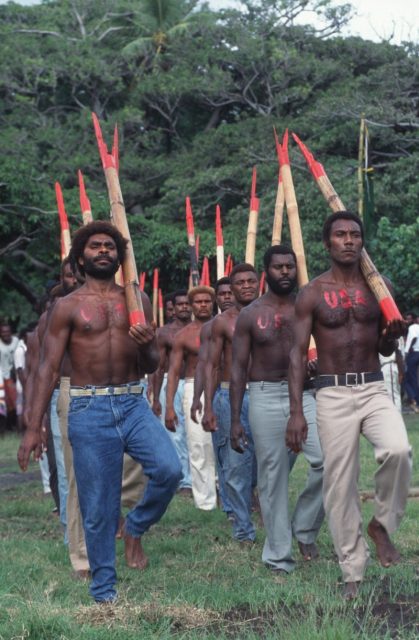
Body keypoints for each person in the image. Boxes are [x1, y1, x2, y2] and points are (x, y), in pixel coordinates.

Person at [18, 220, 182, 603]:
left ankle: (136, 527)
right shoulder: (67, 307)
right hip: (87, 406)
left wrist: (146, 343)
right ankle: (104, 591)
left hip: (132, 401)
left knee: (169, 469)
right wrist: (32, 427)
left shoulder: (136, 301)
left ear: (120, 256)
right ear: (81, 257)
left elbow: (150, 364)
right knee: (97, 504)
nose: (104, 251)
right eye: (95, 246)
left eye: (110, 246)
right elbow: (47, 369)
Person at [286, 211, 412, 599]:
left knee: (399, 450)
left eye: (355, 235)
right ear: (327, 244)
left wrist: (392, 336)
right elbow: (295, 353)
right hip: (332, 392)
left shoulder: (380, 287)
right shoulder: (312, 292)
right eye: (340, 235)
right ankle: (352, 573)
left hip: (373, 387)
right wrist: (295, 411)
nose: (348, 240)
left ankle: (383, 525)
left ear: (362, 241)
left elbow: (385, 347)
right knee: (339, 485)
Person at [230, 248, 324, 568]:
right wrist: (234, 420)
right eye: (278, 267)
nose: (285, 272)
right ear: (265, 272)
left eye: (290, 266)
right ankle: (278, 556)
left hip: (308, 396)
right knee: (272, 477)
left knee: (329, 461)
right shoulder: (250, 314)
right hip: (265, 395)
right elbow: (238, 369)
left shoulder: (309, 306)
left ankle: (305, 527)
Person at [203, 265, 260, 543]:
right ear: (230, 289)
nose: (247, 286)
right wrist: (208, 405)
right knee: (236, 464)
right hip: (229, 395)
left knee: (266, 463)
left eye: (252, 281)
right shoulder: (223, 322)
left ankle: (258, 507)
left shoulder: (270, 315)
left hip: (266, 392)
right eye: (241, 282)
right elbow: (212, 364)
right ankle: (243, 530)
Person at [165, 286, 217, 510]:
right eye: (198, 302)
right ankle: (205, 502)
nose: (203, 305)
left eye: (207, 301)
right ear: (191, 305)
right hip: (192, 388)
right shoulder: (183, 336)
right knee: (198, 444)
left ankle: (225, 491)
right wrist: (169, 406)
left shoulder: (222, 327)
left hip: (223, 387)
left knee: (223, 443)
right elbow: (174, 372)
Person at [191, 276, 235, 517]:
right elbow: (205, 365)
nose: (227, 297)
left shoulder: (255, 319)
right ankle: (230, 506)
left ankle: (251, 494)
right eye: (223, 293)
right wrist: (201, 400)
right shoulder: (211, 328)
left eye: (231, 292)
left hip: (256, 392)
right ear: (217, 298)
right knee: (226, 452)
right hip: (222, 393)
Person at [152, 290, 193, 492]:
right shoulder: (164, 333)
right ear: (173, 308)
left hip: (196, 382)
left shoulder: (202, 329)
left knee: (197, 432)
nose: (184, 307)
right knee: (175, 433)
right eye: (181, 304)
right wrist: (156, 398)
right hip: (172, 384)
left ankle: (200, 479)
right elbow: (159, 367)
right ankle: (183, 480)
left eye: (187, 304)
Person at [0, 322, 19, 431]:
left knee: (16, 403)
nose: (6, 334)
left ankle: (14, 426)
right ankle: (5, 428)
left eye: (8, 332)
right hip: (2, 377)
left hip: (15, 376)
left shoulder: (16, 341)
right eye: (3, 332)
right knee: (3, 404)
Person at [404, 316, 419, 413]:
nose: (407, 321)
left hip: (413, 353)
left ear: (413, 320)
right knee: (415, 378)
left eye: (409, 319)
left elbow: (414, 337)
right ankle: (415, 401)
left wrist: (408, 349)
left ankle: (414, 401)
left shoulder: (413, 327)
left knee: (407, 378)